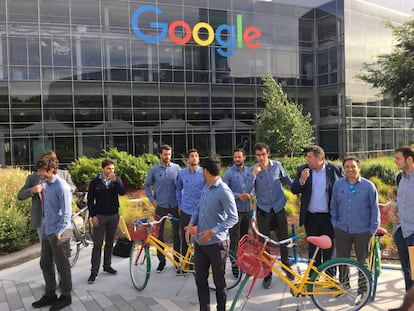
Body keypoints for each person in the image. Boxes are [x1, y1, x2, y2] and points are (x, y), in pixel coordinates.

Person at [185, 154, 238, 311]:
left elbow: (233, 217)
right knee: (200, 280)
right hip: (200, 243)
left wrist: (213, 231)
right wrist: (190, 224)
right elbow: (198, 208)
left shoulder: (224, 190)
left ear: (205, 171)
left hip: (217, 245)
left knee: (219, 282)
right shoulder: (206, 187)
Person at [330, 155, 380, 305]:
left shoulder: (368, 186)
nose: (350, 169)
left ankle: (362, 290)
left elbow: (374, 209)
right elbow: (333, 205)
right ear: (343, 169)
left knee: (362, 262)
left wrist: (371, 229)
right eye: (347, 167)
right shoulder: (338, 185)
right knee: (342, 260)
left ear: (359, 168)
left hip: (363, 231)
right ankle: (344, 286)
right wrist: (335, 223)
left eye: (353, 166)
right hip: (342, 230)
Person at [31, 154, 73, 311]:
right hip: (48, 229)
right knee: (45, 262)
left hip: (59, 232)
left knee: (62, 265)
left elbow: (67, 212)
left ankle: (66, 296)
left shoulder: (62, 186)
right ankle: (50, 294)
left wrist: (59, 231)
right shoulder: (45, 184)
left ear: (50, 170)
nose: (38, 173)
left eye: (41, 171)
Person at [290, 145, 343, 266]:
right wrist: (302, 180)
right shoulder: (303, 170)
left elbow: (342, 189)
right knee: (313, 249)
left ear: (319, 158)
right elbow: (294, 189)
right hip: (311, 217)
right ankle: (313, 278)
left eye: (309, 157)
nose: (307, 159)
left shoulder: (335, 170)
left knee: (330, 247)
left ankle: (330, 277)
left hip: (329, 217)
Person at [251, 143, 294, 289]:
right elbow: (249, 191)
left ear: (268, 153)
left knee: (284, 239)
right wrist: (253, 176)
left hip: (278, 208)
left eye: (263, 154)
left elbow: (286, 179)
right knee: (264, 243)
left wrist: (298, 188)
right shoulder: (254, 170)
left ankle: (286, 266)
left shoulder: (277, 165)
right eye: (258, 155)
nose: (261, 157)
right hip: (263, 211)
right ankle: (267, 273)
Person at [18, 150, 76, 241]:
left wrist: (64, 190)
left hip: (59, 218)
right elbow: (20, 195)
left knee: (59, 248)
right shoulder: (33, 177)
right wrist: (32, 190)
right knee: (46, 249)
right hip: (42, 218)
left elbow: (72, 187)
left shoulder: (63, 175)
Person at [87, 159, 125, 284]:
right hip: (100, 216)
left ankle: (107, 265)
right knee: (97, 244)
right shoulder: (95, 182)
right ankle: (94, 271)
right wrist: (93, 216)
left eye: (113, 169)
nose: (111, 171)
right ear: (103, 169)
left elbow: (122, 192)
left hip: (113, 216)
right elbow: (90, 200)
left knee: (110, 242)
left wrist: (116, 181)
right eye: (109, 169)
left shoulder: (116, 180)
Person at [144, 144, 181, 273]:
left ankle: (177, 261)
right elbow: (146, 185)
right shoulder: (154, 170)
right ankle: (161, 261)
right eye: (165, 154)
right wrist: (152, 200)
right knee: (158, 235)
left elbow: (181, 186)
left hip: (175, 206)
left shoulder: (177, 168)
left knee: (178, 234)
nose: (167, 157)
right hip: (161, 207)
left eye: (169, 154)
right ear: (160, 155)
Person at [222, 148, 254, 253]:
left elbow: (256, 187)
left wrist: (251, 195)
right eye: (235, 157)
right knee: (234, 238)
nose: (237, 159)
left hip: (248, 210)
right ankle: (234, 265)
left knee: (245, 238)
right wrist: (237, 196)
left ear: (244, 157)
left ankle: (243, 263)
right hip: (235, 210)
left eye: (239, 157)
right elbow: (224, 191)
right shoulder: (228, 173)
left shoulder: (250, 171)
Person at [176, 148, 205, 262]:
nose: (194, 158)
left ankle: (201, 262)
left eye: (196, 156)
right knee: (186, 237)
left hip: (200, 211)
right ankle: (185, 262)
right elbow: (178, 189)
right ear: (188, 160)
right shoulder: (182, 173)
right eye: (192, 156)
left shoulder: (204, 172)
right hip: (186, 210)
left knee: (201, 237)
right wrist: (179, 204)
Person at [392, 146, 414, 293]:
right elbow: (401, 199)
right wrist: (395, 209)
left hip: (413, 233)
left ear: (410, 159)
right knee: (406, 270)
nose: (395, 162)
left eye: (398, 158)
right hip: (401, 230)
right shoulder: (400, 177)